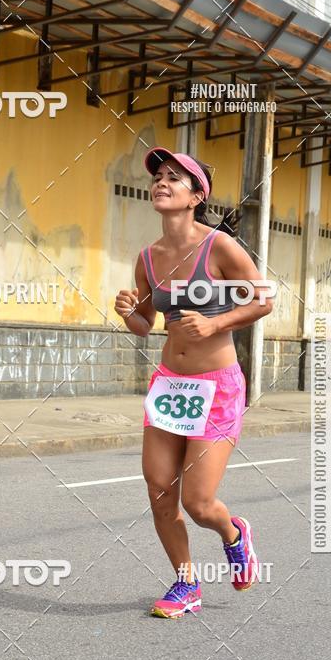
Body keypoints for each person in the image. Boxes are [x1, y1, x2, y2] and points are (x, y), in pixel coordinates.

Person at [114, 147, 273, 618]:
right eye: (158, 176)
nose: (161, 183)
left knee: (199, 502)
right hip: (170, 386)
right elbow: (146, 324)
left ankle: (234, 534)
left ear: (194, 196)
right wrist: (129, 313)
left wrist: (215, 324)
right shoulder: (149, 256)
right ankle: (187, 584)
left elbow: (263, 299)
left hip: (216, 385)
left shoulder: (219, 246)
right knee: (159, 489)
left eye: (174, 178)